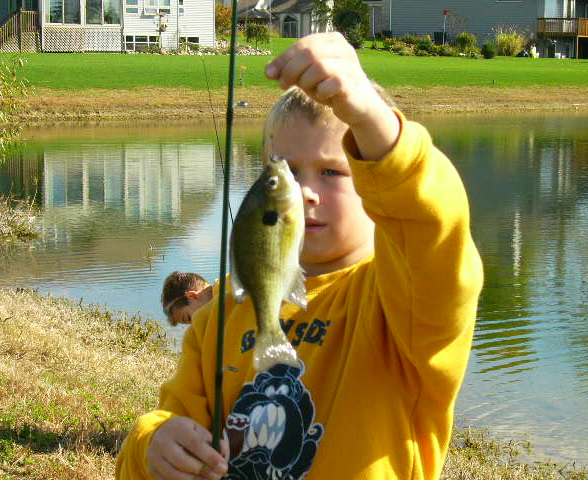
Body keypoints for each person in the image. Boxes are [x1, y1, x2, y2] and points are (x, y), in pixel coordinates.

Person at [116, 32, 483, 480]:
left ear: (375, 181)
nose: (305, 192)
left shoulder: (403, 306)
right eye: (284, 172)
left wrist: (371, 118)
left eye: (332, 171)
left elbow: (433, 230)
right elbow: (172, 423)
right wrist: (151, 445)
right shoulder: (219, 317)